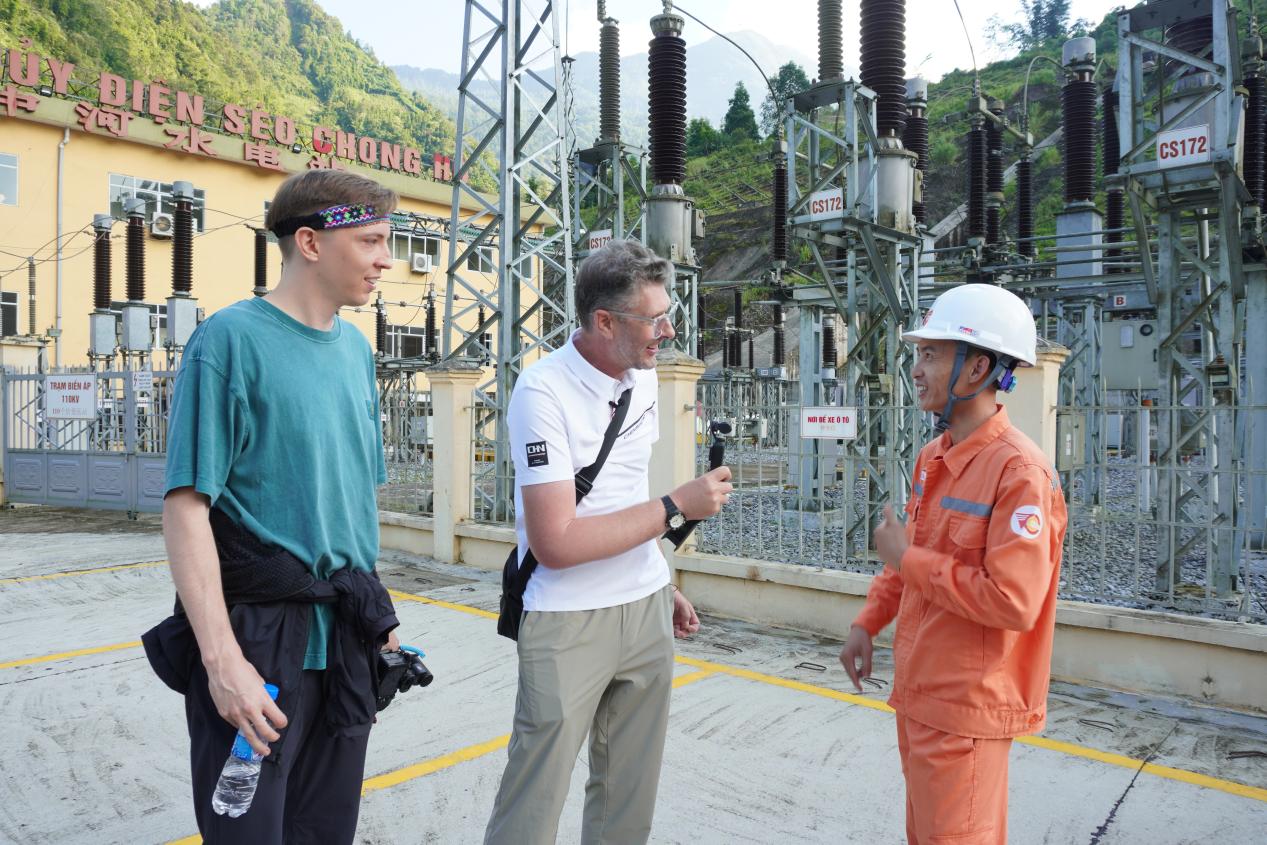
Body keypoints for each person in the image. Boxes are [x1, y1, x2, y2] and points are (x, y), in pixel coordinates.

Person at [155, 170, 399, 843]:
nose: (386, 259)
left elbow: (348, 501)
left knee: (326, 832)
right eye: (372, 240)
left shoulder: (354, 350)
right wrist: (221, 660)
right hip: (260, 641)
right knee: (249, 833)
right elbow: (186, 507)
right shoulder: (231, 340)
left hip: (344, 643)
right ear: (311, 243)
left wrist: (378, 619)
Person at [484, 239, 732, 845]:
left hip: (645, 608)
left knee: (628, 794)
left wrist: (660, 580)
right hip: (568, 620)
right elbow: (557, 542)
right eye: (655, 318)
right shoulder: (543, 394)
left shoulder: (640, 378)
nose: (668, 330)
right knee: (533, 799)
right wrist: (677, 507)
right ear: (604, 322)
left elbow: (620, 495)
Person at [838, 283, 1068, 845]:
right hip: (921, 695)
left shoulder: (1020, 474)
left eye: (932, 354)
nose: (916, 368)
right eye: (919, 353)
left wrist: (908, 558)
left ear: (978, 369)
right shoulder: (932, 458)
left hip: (968, 711)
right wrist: (868, 622)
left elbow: (1013, 602)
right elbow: (912, 560)